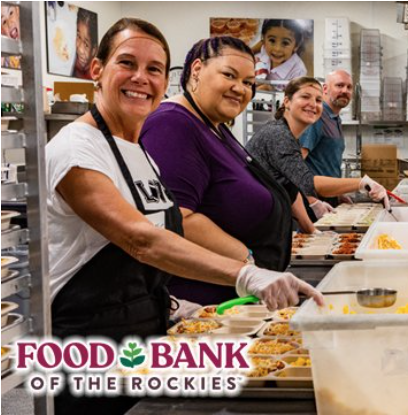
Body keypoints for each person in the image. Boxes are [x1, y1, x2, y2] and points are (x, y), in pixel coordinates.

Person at [46, 19, 321, 415]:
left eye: (154, 69)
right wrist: (245, 272)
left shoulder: (137, 149)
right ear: (97, 70)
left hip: (144, 334)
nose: (142, 78)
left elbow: (162, 234)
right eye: (127, 63)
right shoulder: (76, 148)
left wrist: (174, 303)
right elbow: (140, 239)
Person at [141, 36, 306, 305]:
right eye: (229, 75)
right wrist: (248, 259)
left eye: (248, 83)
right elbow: (176, 218)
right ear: (196, 70)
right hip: (205, 305)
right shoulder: (172, 126)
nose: (240, 89)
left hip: (241, 295)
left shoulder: (213, 126)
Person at [245, 76, 388, 227]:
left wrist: (311, 229)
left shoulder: (288, 135)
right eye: (305, 97)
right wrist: (361, 183)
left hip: (272, 217)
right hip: (255, 220)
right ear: (287, 102)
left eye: (318, 100)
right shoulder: (278, 135)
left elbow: (291, 185)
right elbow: (307, 181)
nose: (313, 104)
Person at [299, 69, 352, 209]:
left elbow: (327, 161)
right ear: (325, 89)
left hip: (329, 198)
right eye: (339, 85)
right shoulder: (317, 117)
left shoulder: (335, 119)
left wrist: (338, 193)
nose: (345, 91)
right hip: (314, 201)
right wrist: (312, 202)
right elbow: (295, 164)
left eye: (349, 87)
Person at [252, 19, 308, 90]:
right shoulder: (263, 50)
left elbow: (294, 95)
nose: (277, 49)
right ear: (264, 40)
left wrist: (271, 90)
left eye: (285, 43)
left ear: (296, 46)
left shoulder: (298, 71)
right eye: (272, 40)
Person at [71, 8, 96, 80]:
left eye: (86, 44)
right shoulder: (71, 60)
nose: (79, 49)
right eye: (78, 36)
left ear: (94, 50)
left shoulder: (94, 78)